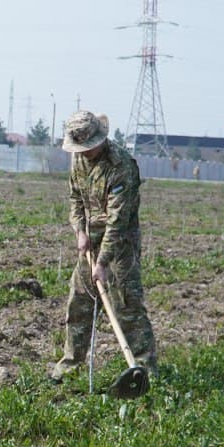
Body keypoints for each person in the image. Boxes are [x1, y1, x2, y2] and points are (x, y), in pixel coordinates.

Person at [50, 111, 155, 398]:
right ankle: (70, 366)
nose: (83, 152)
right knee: (79, 303)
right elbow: (75, 198)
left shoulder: (121, 166)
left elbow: (117, 222)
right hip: (91, 240)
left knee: (126, 306)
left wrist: (104, 262)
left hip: (120, 245)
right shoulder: (78, 159)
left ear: (100, 140)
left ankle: (144, 371)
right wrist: (79, 231)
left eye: (88, 147)